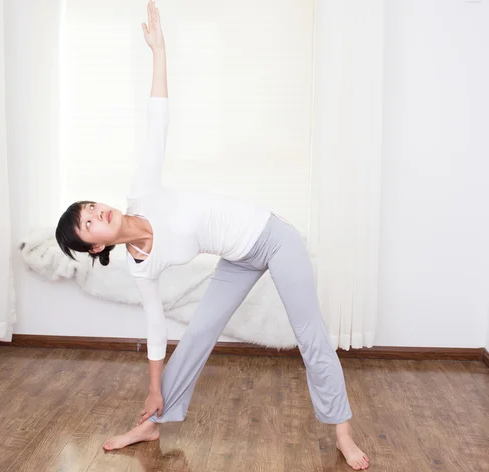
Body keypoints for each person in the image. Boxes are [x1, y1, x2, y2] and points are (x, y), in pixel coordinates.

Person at [55, 1, 370, 470]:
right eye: (89, 222)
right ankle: (152, 422)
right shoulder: (140, 265)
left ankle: (342, 432)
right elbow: (157, 327)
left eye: (91, 206)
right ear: (96, 245)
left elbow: (157, 119)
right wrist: (154, 387)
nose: (97, 211)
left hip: (274, 235)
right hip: (238, 258)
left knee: (310, 335)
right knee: (198, 333)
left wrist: (158, 51)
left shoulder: (142, 192)